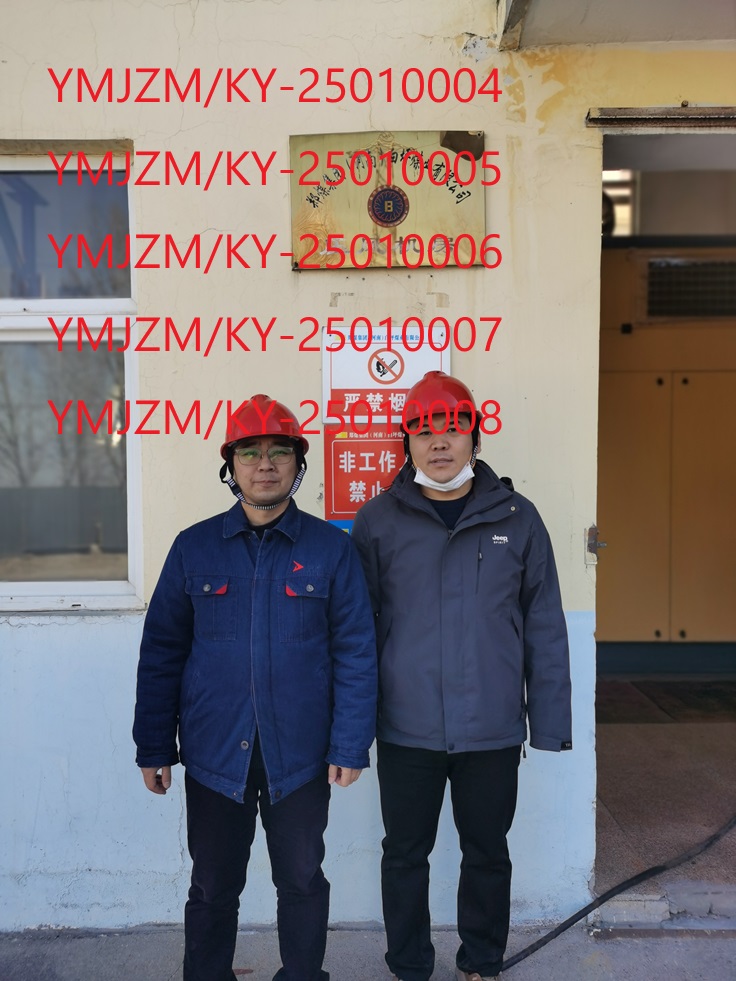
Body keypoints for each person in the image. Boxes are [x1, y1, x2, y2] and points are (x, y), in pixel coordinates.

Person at [133, 393, 377, 981]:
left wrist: (349, 745)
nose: (264, 464)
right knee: (212, 885)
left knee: (302, 880)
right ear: (231, 465)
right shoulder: (193, 547)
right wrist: (154, 745)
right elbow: (162, 651)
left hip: (300, 755)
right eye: (249, 452)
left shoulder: (332, 550)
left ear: (298, 463)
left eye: (279, 452)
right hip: (216, 753)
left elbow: (355, 651)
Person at [352, 371, 572, 981]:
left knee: (487, 853)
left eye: (452, 428)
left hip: (491, 728)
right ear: (407, 441)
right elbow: (355, 633)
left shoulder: (518, 518)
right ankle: (409, 966)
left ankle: (481, 962)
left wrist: (548, 724)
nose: (439, 442)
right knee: (404, 854)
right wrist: (351, 731)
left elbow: (545, 625)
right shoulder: (378, 521)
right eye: (424, 431)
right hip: (407, 726)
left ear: (474, 434)